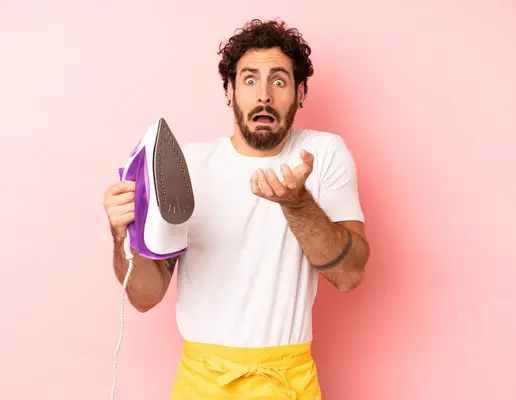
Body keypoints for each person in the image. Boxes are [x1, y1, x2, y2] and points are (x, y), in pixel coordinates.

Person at [103, 18, 370, 400]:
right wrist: (121, 235)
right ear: (229, 92)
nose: (264, 95)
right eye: (248, 80)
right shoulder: (187, 167)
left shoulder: (323, 154)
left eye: (278, 81)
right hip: (202, 384)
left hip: (286, 382)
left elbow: (349, 275)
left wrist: (297, 205)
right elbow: (145, 297)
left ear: (300, 92)